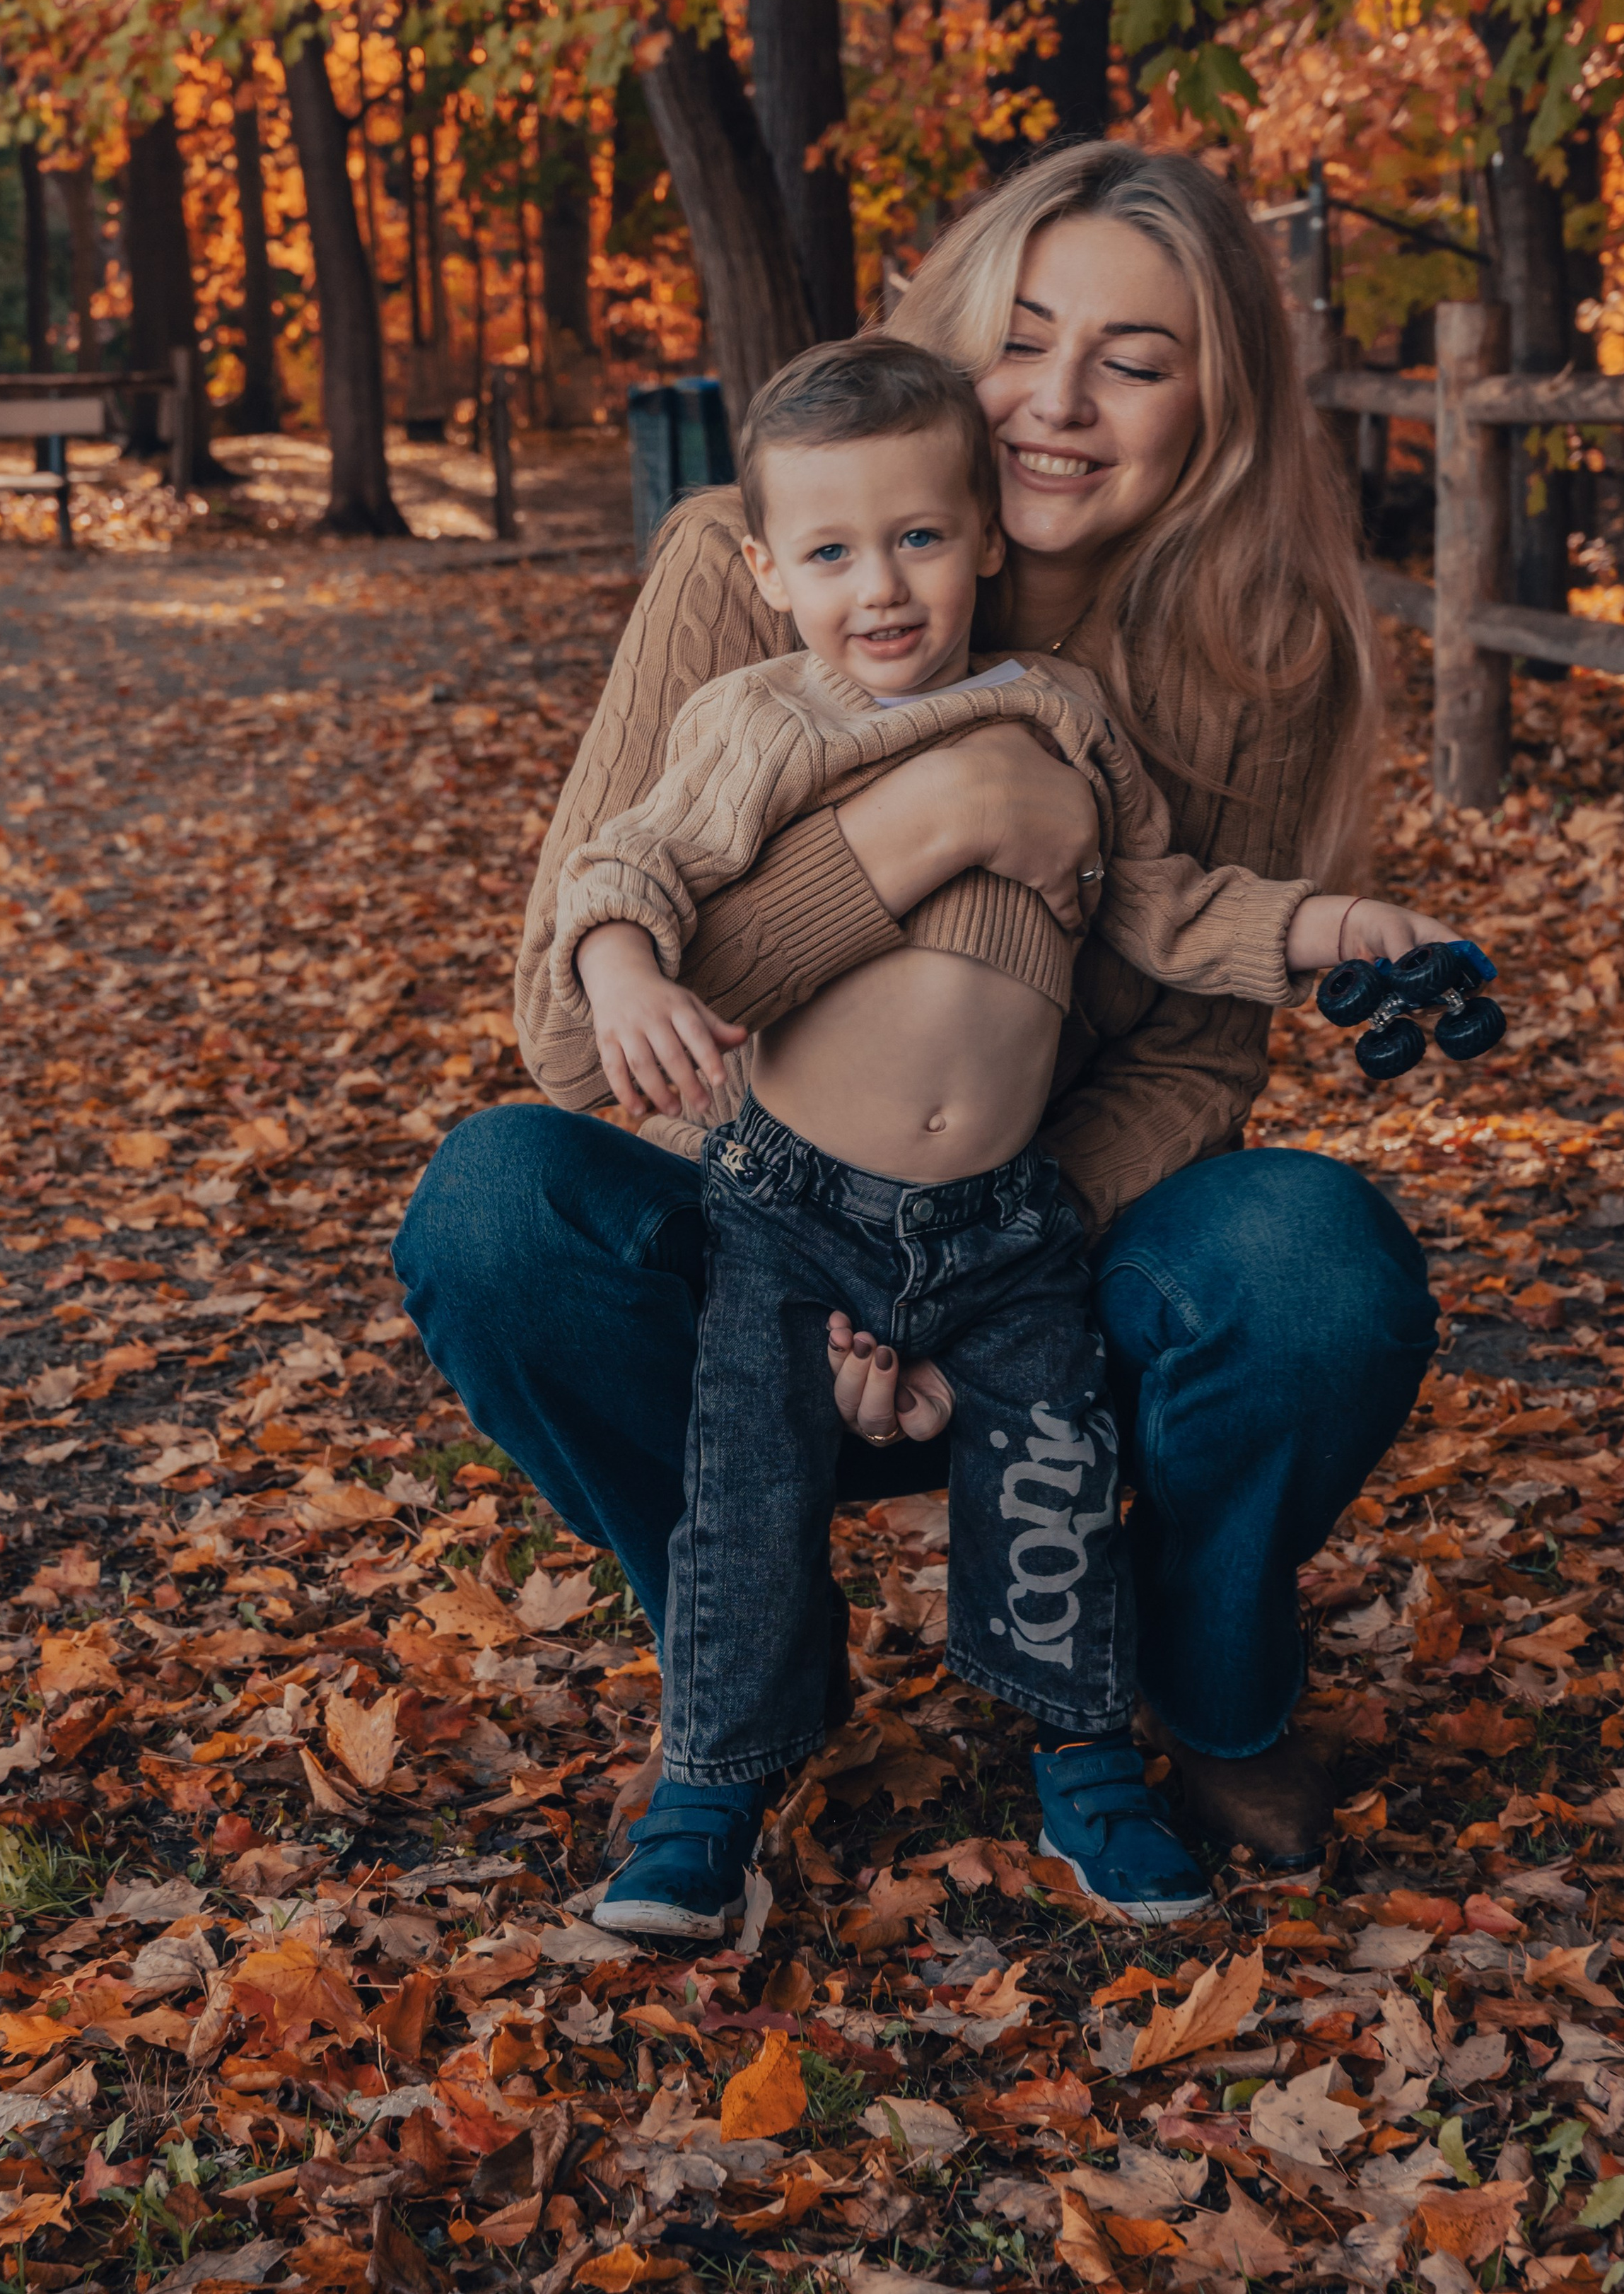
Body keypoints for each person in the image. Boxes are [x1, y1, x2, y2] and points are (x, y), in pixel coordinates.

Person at [393, 140, 1439, 1905]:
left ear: (1214, 405)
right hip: (763, 1227)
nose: (1054, 402)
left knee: (1316, 1261)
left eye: (1133, 358)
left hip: (1037, 1270)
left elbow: (1193, 1044)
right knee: (495, 1209)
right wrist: (921, 831)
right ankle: (747, 1652)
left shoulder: (1241, 654)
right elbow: (571, 1034)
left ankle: (1199, 1682)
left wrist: (962, 1262)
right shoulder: (743, 583)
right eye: (1020, 339)